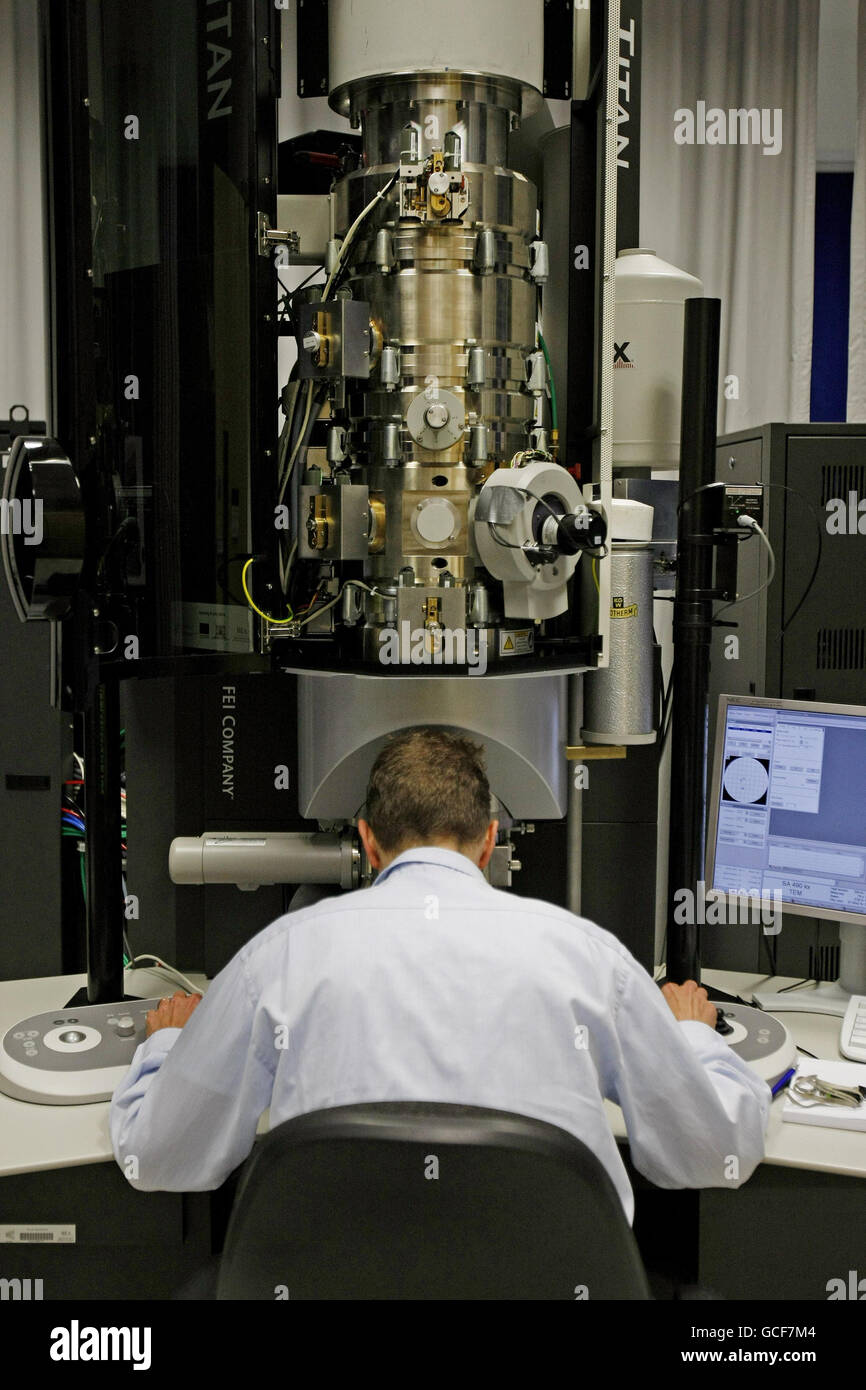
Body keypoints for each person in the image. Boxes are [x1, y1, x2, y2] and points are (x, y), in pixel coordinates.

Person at [110, 727, 770, 1222]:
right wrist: (692, 1037)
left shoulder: (276, 960)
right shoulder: (590, 960)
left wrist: (169, 1043)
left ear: (366, 843)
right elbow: (714, 1152)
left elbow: (162, 1159)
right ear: (489, 841)